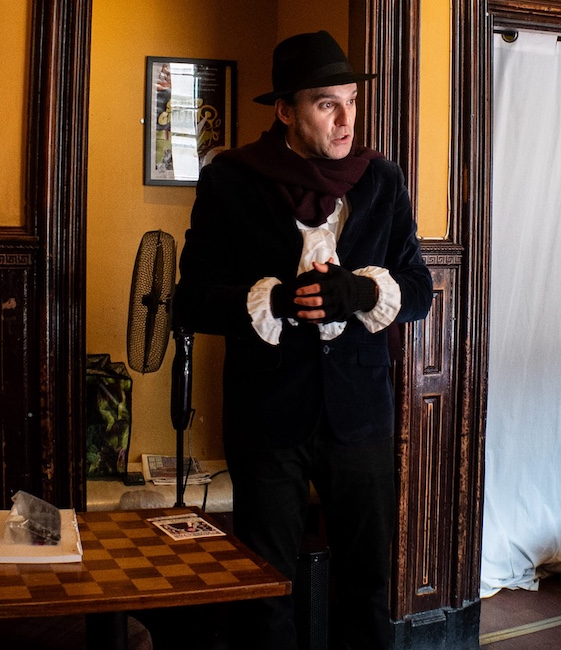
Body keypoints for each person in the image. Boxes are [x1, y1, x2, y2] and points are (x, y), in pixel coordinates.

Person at [174, 30, 432, 650]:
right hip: (267, 413)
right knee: (266, 589)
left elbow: (419, 290)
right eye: (326, 104)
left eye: (351, 101)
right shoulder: (231, 179)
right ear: (286, 111)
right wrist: (276, 301)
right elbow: (190, 300)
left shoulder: (381, 180)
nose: (346, 120)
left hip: (360, 413)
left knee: (367, 586)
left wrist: (361, 292)